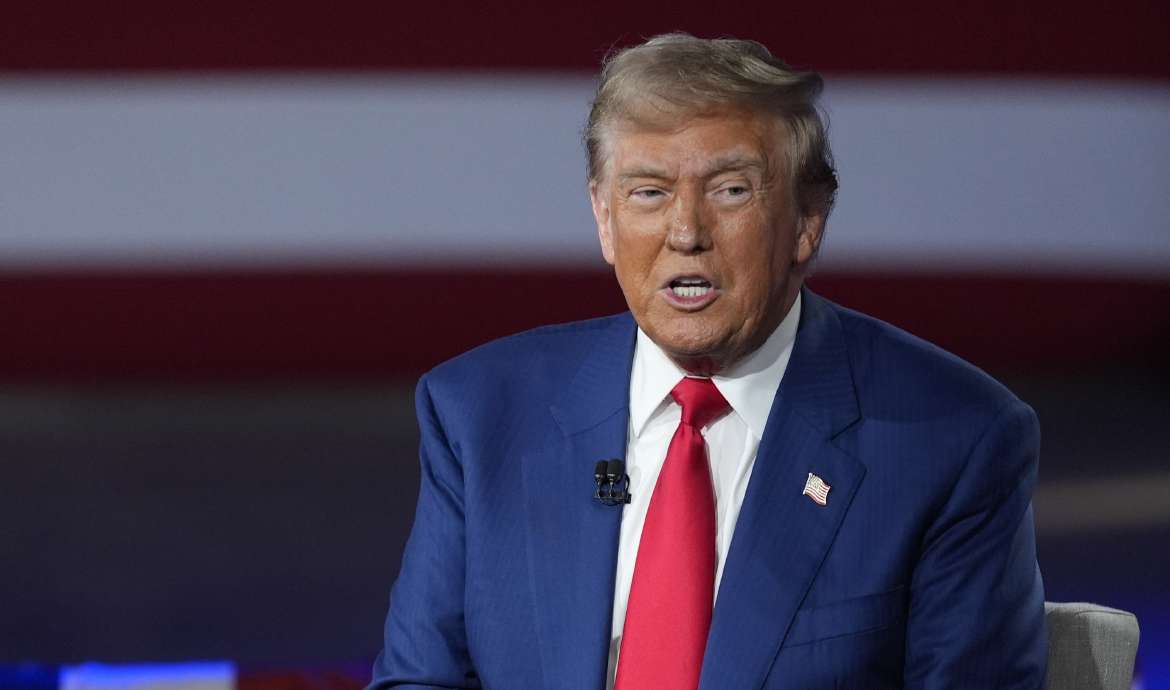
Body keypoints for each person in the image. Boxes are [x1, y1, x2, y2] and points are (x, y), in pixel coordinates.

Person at [368, 33, 1047, 690]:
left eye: (729, 190)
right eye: (648, 192)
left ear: (807, 220)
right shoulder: (480, 414)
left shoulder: (953, 442)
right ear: (603, 218)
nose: (686, 232)